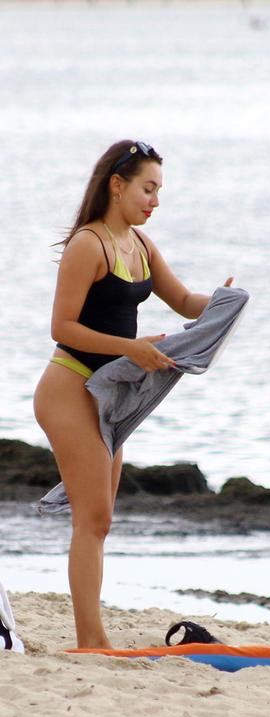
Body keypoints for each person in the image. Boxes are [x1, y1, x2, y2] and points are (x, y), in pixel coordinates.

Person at [33, 140, 232, 649]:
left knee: (100, 521)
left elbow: (185, 302)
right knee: (93, 517)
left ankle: (91, 636)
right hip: (68, 388)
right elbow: (63, 326)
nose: (155, 201)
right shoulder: (88, 245)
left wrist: (226, 301)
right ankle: (90, 640)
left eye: (159, 190)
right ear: (116, 185)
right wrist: (132, 348)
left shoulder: (140, 246)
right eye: (148, 188)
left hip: (108, 396)